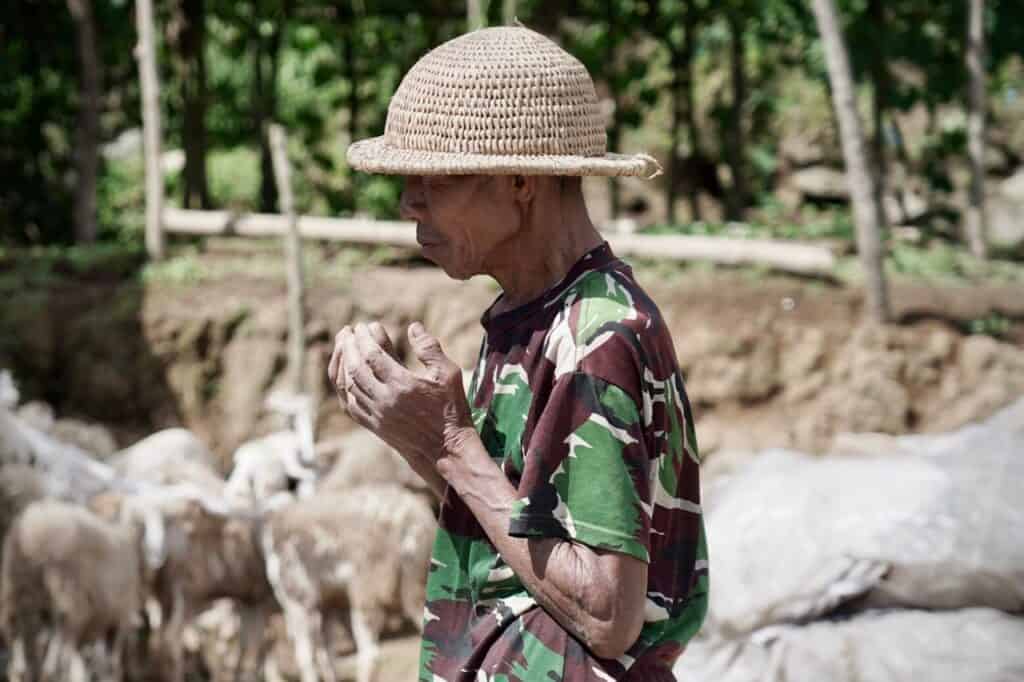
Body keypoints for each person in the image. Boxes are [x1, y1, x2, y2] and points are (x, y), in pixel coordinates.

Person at [328, 25, 708, 682]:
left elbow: (608, 616)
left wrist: (452, 448)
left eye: (436, 177)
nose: (408, 201)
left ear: (519, 182)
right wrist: (418, 436)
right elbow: (520, 520)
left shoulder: (595, 337)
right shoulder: (526, 316)